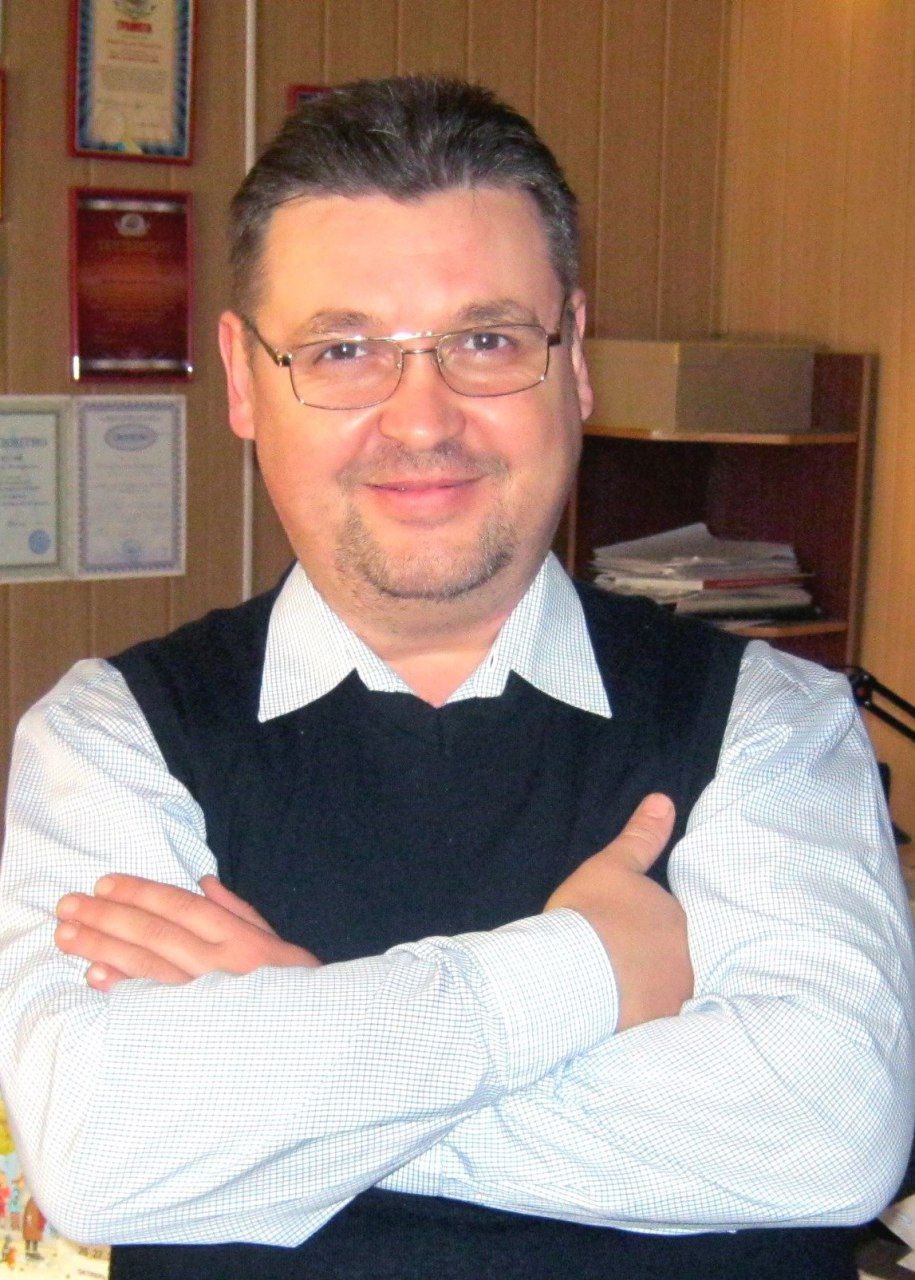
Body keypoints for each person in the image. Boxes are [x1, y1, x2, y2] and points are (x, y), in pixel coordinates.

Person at [0, 76, 912, 1280]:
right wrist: (586, 967)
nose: (422, 420)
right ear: (244, 378)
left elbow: (829, 1134)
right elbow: (100, 1147)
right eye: (343, 349)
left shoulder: (773, 722)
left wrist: (307, 1037)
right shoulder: (108, 736)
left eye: (486, 341)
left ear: (573, 357)